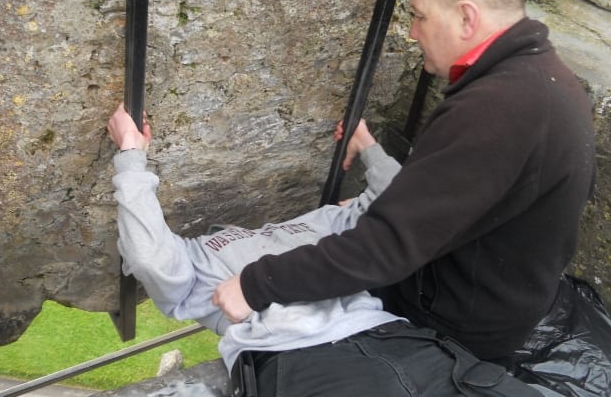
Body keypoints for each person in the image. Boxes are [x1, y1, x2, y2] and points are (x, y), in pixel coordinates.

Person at [213, 0, 597, 365]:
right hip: (494, 293)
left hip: (451, 327)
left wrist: (258, 283)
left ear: (467, 17)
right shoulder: (545, 77)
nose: (413, 32)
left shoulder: (495, 111)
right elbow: (458, 197)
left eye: (420, 15)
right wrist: (372, 154)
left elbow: (387, 246)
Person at [107, 103, 541, 396]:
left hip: (393, 337)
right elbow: (147, 255)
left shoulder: (322, 220)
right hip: (299, 358)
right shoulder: (197, 256)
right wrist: (130, 154)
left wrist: (366, 146)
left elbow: (403, 203)